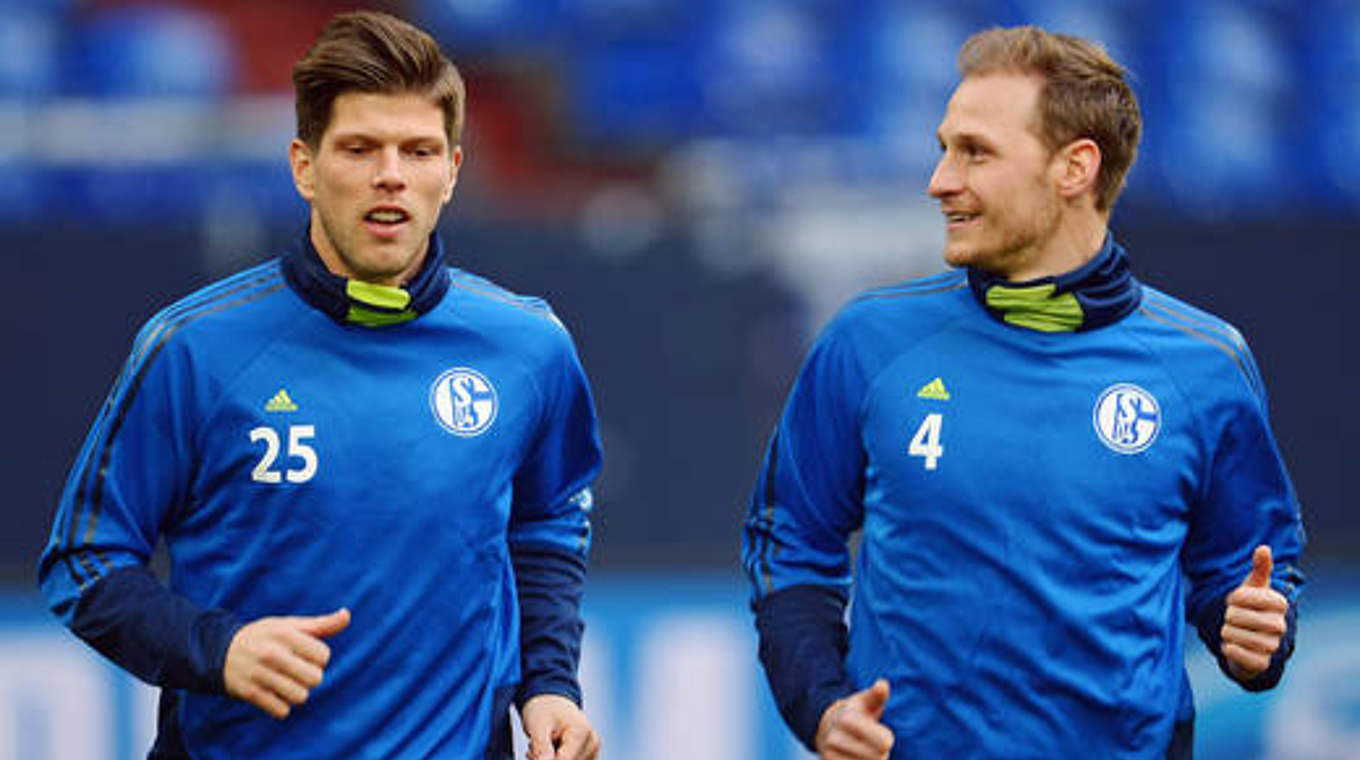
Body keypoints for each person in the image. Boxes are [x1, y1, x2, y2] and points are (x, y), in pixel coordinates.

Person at [37, 10, 603, 759]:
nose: (391, 175)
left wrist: (550, 684)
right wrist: (217, 648)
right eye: (360, 148)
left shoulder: (529, 347)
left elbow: (546, 524)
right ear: (304, 166)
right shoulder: (193, 349)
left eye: (418, 150)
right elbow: (84, 560)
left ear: (452, 171)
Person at [741, 24, 1305, 760]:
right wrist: (820, 705)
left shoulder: (1205, 363)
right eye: (944, 147)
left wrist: (1257, 631)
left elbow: (1249, 573)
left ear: (1075, 168)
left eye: (974, 152)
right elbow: (789, 541)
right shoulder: (868, 342)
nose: (940, 179)